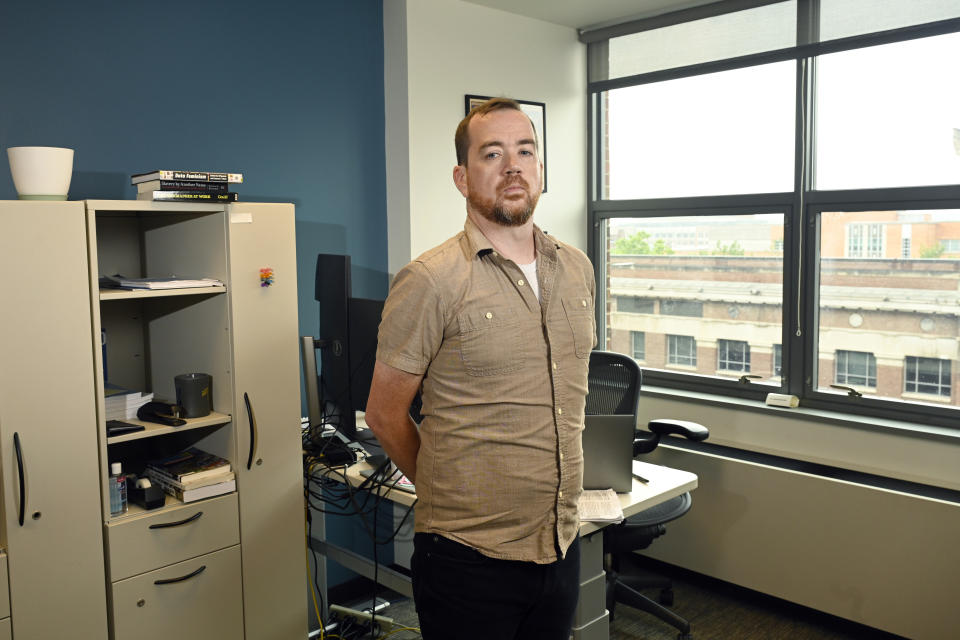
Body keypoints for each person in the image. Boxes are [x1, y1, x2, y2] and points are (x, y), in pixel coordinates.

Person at [364, 97, 596, 640]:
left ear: (539, 169)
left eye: (525, 151)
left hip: (560, 544)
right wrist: (446, 486)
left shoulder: (577, 267)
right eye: (492, 154)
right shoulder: (431, 279)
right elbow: (383, 413)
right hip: (468, 559)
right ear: (462, 177)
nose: (513, 166)